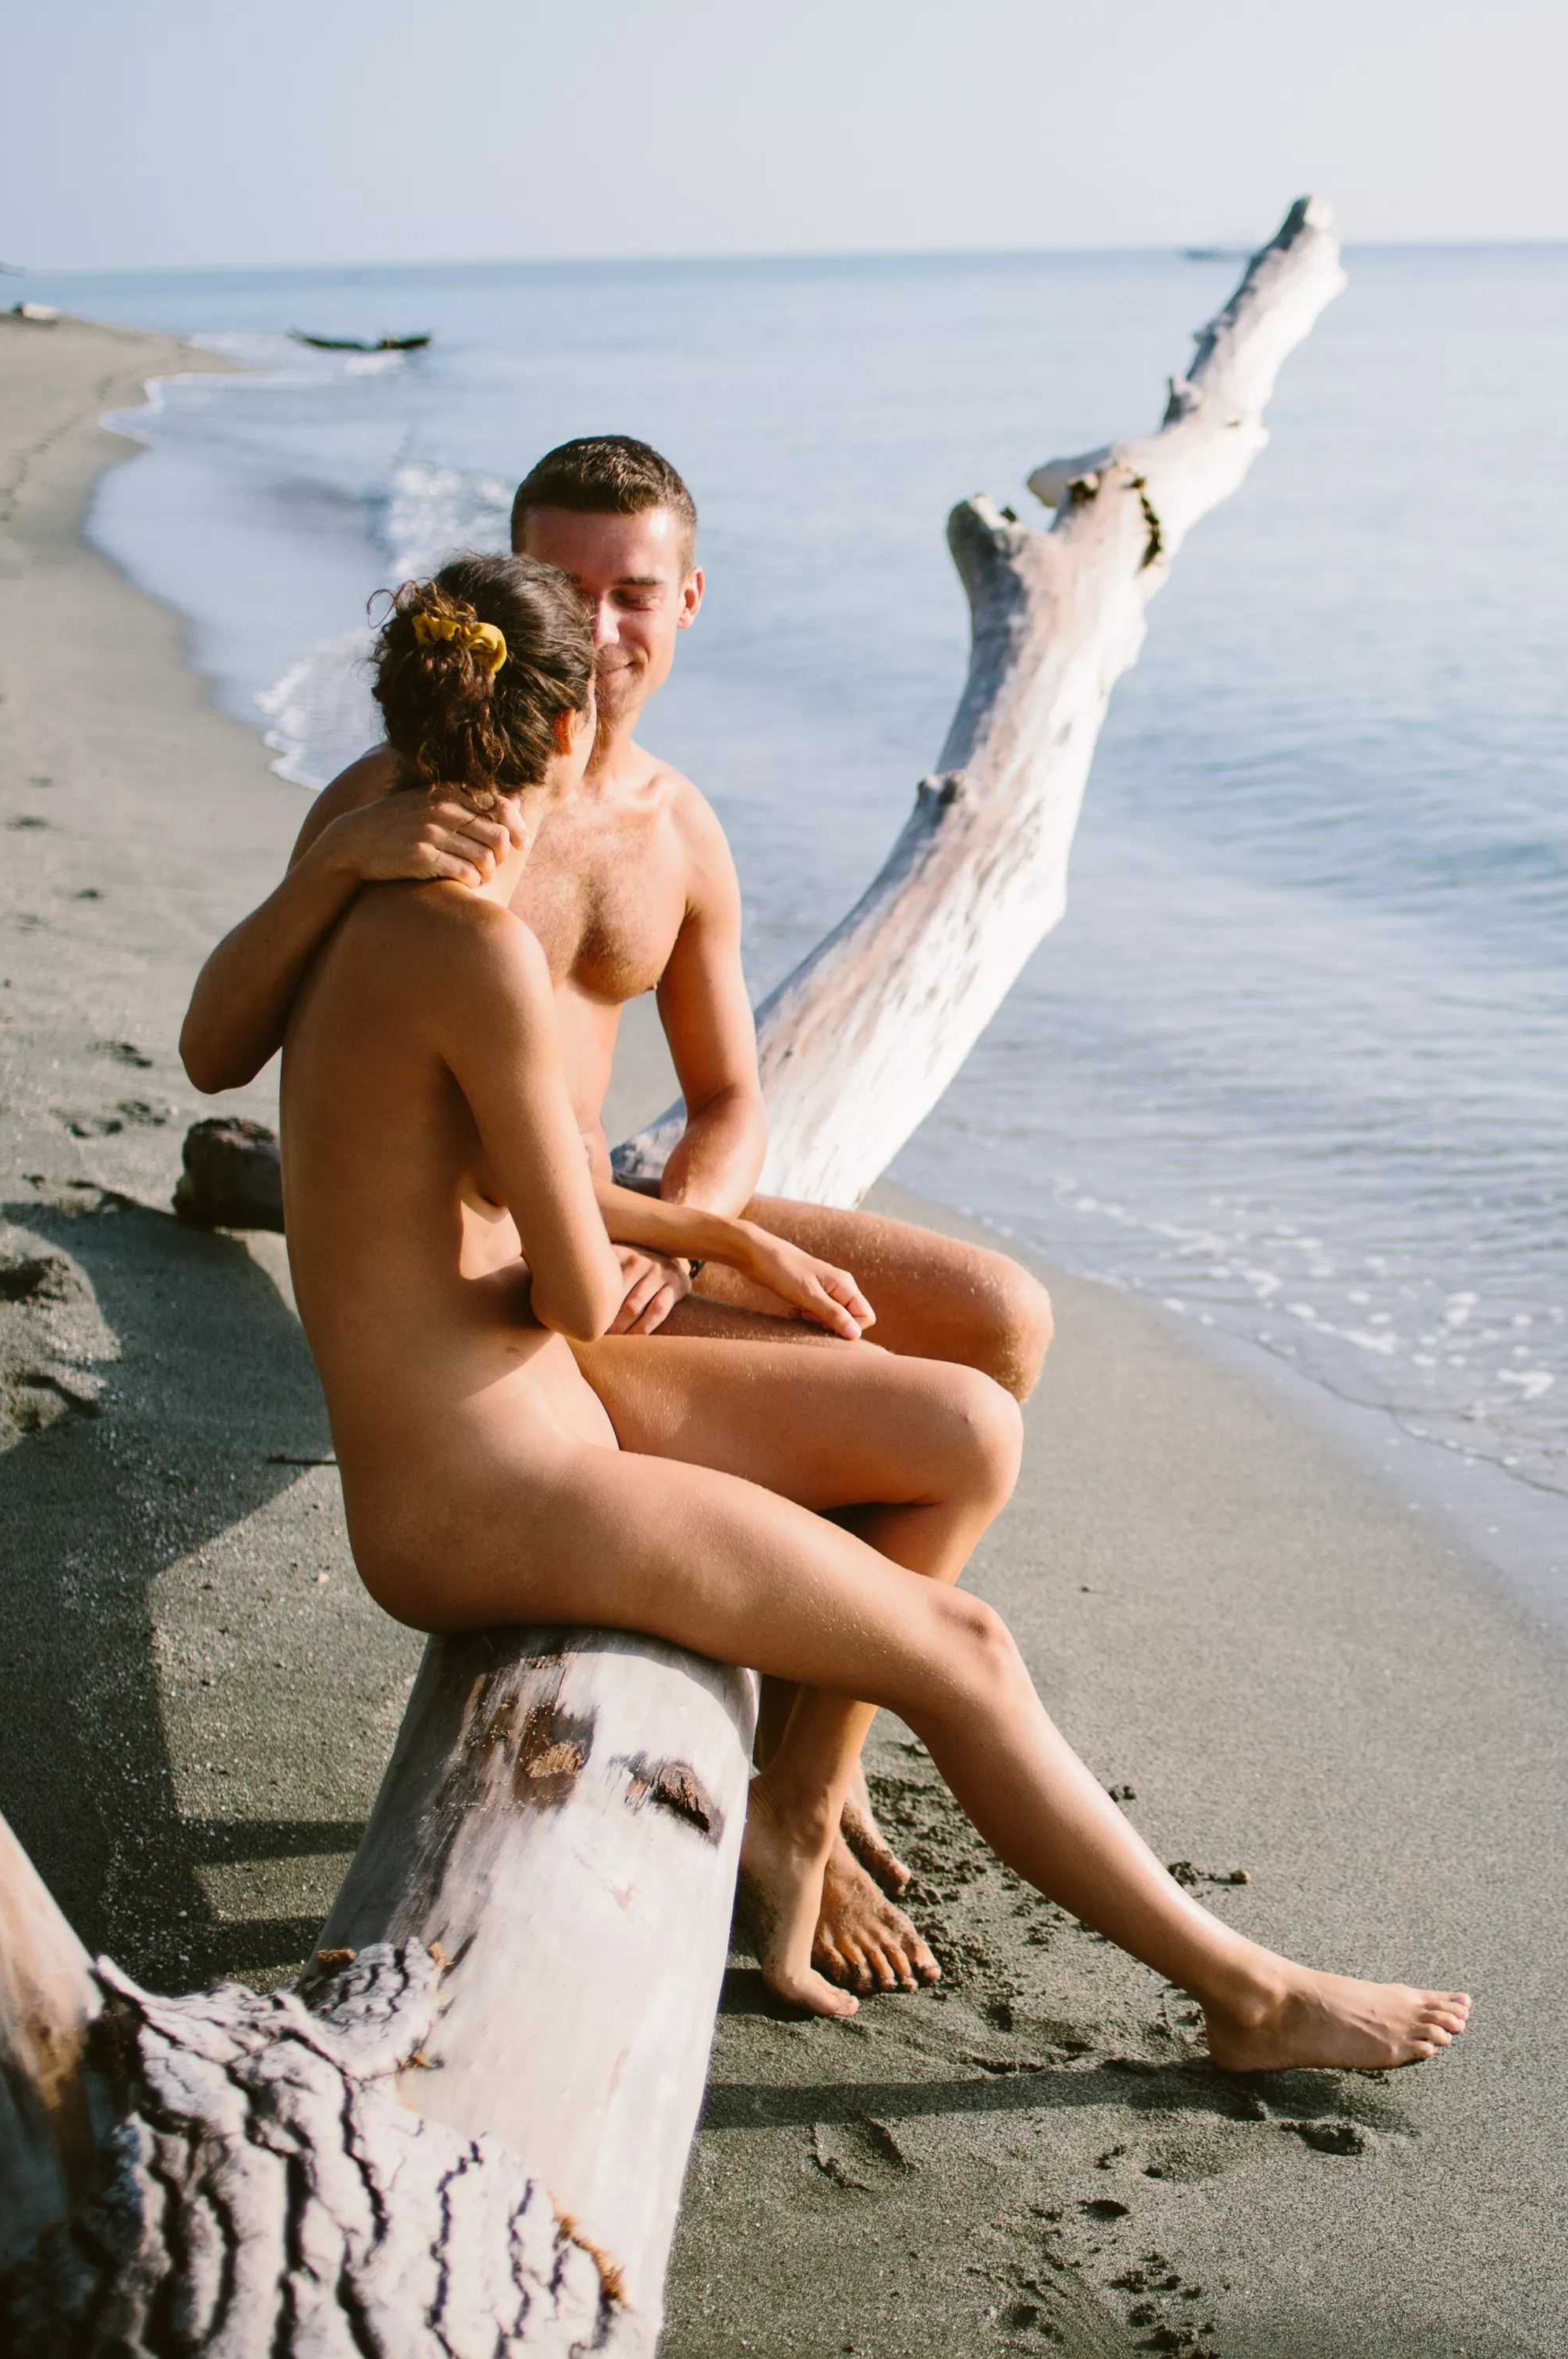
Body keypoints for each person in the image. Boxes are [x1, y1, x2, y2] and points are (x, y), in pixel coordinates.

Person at [274, 550, 1467, 2064]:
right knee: (959, 1647)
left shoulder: (368, 907)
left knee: (961, 1430)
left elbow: (462, 1183)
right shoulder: (485, 954)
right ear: (568, 727)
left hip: (507, 1414)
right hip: (485, 1485)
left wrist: (710, 1235)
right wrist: (649, 1251)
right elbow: (570, 1284)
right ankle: (1246, 1994)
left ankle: (804, 1790)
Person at [182, 436, 1032, 1994]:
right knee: (935, 1420)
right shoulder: (408, 801)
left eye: (633, 590)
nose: (600, 622)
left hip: (613, 1231)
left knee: (999, 1320)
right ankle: (803, 1719)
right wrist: (331, 871)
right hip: (499, 1303)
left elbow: (730, 1097)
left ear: (689, 600)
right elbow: (217, 1051)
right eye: (565, 586)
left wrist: (686, 1225)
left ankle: (810, 1773)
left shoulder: (677, 829)